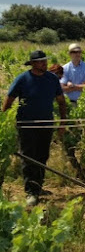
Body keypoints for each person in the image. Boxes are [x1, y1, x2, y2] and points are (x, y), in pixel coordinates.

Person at [2, 50, 67, 206]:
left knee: (42, 156)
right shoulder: (22, 79)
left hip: (46, 124)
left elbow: (61, 101)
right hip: (26, 125)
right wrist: (4, 122)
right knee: (28, 157)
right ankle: (30, 192)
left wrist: (62, 123)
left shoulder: (52, 79)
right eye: (41, 61)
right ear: (32, 64)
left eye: (45, 61)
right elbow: (9, 101)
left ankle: (38, 187)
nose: (45, 63)